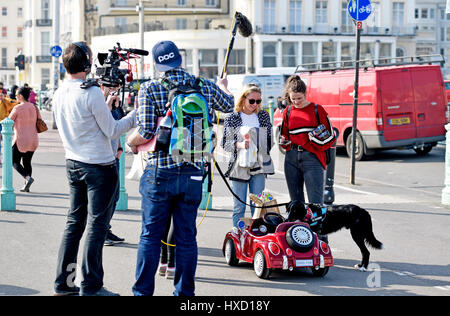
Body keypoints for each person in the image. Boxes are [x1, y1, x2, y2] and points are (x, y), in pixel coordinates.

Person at [126, 40, 234, 296]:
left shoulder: (150, 88)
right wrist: (222, 88)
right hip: (193, 171)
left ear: (155, 64)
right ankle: (185, 294)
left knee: (150, 236)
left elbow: (146, 131)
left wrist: (131, 143)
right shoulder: (203, 85)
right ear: (180, 60)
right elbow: (229, 106)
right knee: (186, 238)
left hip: (160, 171)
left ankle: (142, 293)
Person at [52, 41, 136, 296]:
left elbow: (84, 123)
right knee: (97, 226)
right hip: (99, 167)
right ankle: (91, 285)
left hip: (73, 163)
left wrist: (105, 108)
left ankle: (64, 284)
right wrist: (136, 115)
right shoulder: (90, 93)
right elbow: (112, 130)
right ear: (87, 65)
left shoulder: (59, 93)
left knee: (74, 224)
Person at [221, 84, 274, 228]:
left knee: (258, 206)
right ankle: (238, 237)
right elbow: (225, 143)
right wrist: (239, 145)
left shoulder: (263, 115)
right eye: (252, 101)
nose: (255, 104)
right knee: (239, 206)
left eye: (258, 101)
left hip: (259, 165)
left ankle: (257, 236)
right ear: (243, 99)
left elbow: (270, 140)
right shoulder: (233, 117)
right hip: (239, 166)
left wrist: (260, 147)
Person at [280, 75, 335, 205]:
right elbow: (284, 135)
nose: (296, 102)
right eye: (293, 99)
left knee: (315, 203)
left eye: (299, 98)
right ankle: (299, 225)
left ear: (306, 94)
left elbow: (331, 136)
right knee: (295, 204)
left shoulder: (317, 110)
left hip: (313, 157)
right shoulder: (287, 111)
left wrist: (314, 140)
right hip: (291, 158)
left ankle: (316, 225)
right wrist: (284, 142)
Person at [8, 86, 40, 192]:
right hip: (33, 139)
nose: (16, 96)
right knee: (27, 162)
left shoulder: (17, 108)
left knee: (14, 161)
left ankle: (27, 178)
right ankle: (27, 186)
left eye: (17, 95)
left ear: (21, 96)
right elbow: (39, 120)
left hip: (21, 139)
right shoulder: (34, 107)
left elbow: (8, 122)